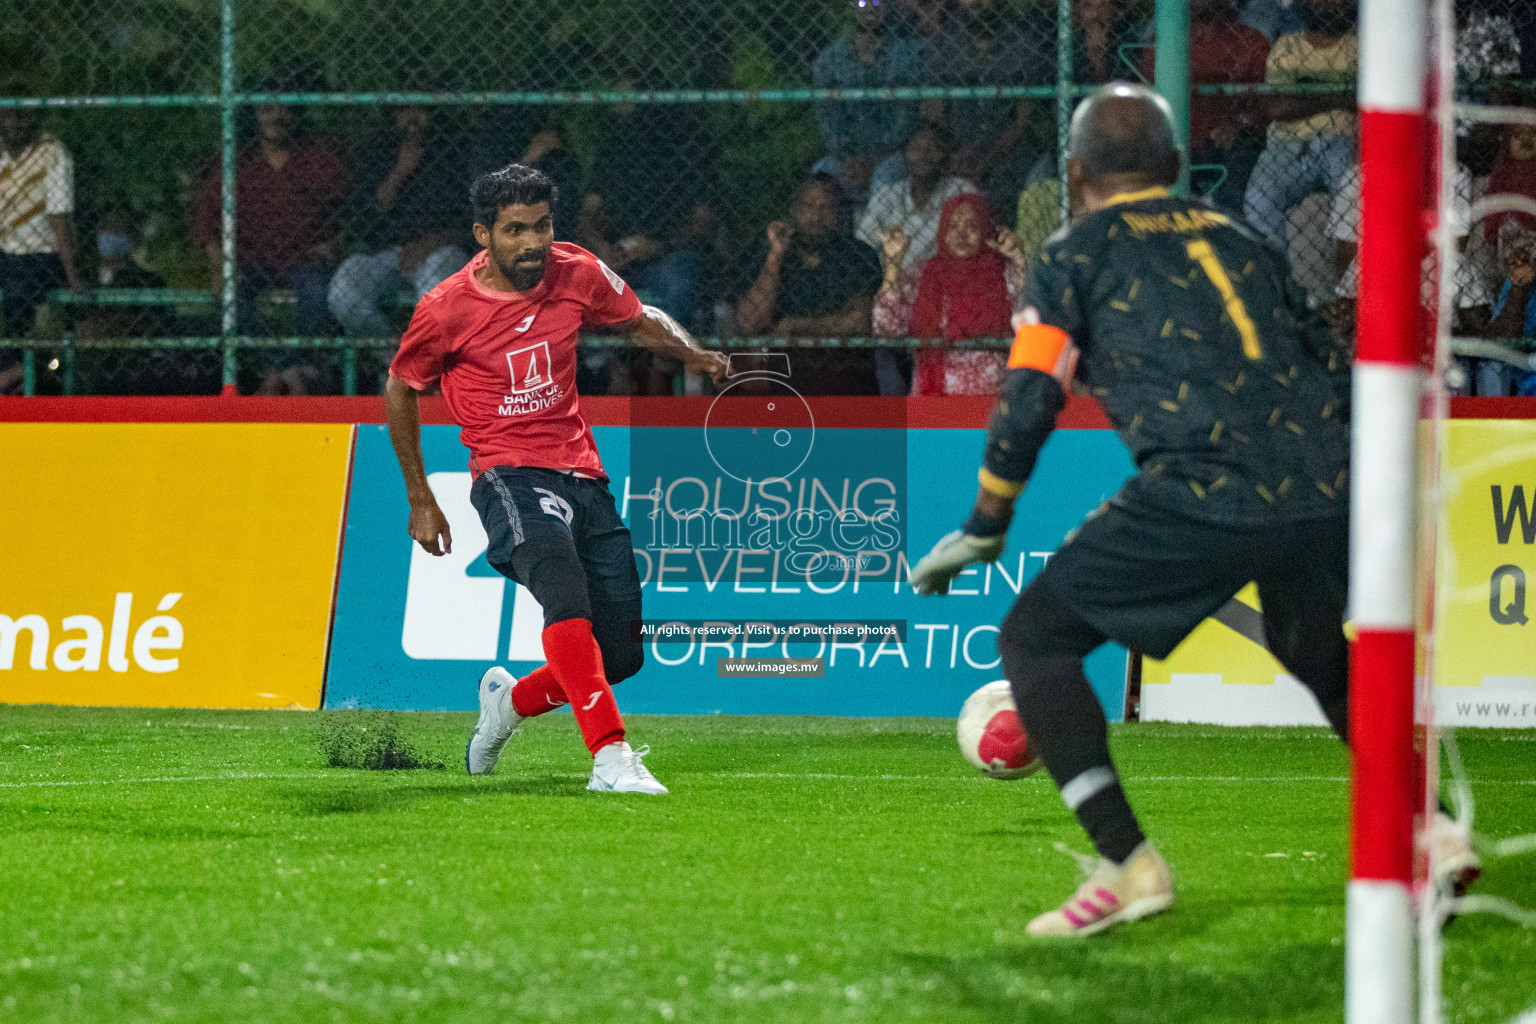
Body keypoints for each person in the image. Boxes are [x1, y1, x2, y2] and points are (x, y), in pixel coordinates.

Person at [909, 84, 1476, 936]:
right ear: (1174, 168)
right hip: (1329, 478)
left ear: (1073, 172)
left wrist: (988, 520)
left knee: (1035, 637)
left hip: (1205, 486)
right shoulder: (1247, 236)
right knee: (1316, 650)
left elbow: (1029, 394)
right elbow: (1324, 354)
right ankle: (1432, 828)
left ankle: (1128, 862)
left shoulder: (1074, 253)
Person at [384, 164, 728, 793]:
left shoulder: (577, 272)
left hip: (582, 473)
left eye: (541, 226)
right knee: (564, 597)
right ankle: (611, 759)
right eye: (515, 230)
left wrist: (694, 354)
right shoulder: (447, 308)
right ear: (482, 235)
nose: (532, 242)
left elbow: (639, 317)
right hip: (507, 475)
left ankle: (508, 706)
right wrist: (420, 496)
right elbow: (401, 388)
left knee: (617, 655)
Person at [192, 97, 348, 338]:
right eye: (267, 109)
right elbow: (207, 219)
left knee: (317, 293)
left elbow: (346, 212)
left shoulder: (317, 160)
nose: (277, 116)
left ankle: (296, 367)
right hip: (251, 262)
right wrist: (220, 263)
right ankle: (271, 371)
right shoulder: (237, 163)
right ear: (254, 115)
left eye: (285, 108)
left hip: (306, 260)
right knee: (232, 302)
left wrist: (334, 244)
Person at [328, 106, 470, 338]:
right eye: (405, 110)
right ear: (393, 115)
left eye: (421, 108)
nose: (412, 118)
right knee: (344, 289)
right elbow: (367, 216)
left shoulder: (454, 153)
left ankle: (424, 363)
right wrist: (402, 169)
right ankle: (392, 355)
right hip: (388, 255)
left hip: (442, 252)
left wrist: (431, 244)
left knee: (435, 289)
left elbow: (470, 222)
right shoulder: (376, 152)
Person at [736, 174, 883, 394]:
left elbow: (860, 323)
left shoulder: (858, 254)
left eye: (827, 207)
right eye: (808, 206)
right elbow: (750, 321)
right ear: (793, 211)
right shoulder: (771, 253)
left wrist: (796, 326)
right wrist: (776, 255)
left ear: (840, 214)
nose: (816, 216)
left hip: (844, 376)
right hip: (785, 377)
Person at [874, 192, 1024, 395]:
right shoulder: (923, 276)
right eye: (953, 226)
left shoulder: (1004, 274)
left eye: (971, 226)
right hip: (934, 399)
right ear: (942, 231)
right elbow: (887, 327)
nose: (961, 234)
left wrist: (1019, 260)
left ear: (986, 231)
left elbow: (1031, 318)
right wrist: (894, 264)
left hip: (996, 402)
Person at [1241, 0, 1357, 253]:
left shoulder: (1359, 46)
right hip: (1289, 144)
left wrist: (1305, 95)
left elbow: (1363, 101)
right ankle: (1278, 281)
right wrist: (1339, 96)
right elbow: (1278, 109)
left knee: (1353, 197)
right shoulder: (1289, 46)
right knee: (1258, 201)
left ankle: (1350, 283)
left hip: (1342, 140)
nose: (1330, 6)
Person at [1138, 0, 1271, 211]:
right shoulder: (1164, 42)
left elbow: (1268, 101)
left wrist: (1240, 123)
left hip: (1229, 142)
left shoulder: (1250, 40)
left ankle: (1227, 232)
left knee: (1242, 158)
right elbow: (1146, 101)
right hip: (1177, 139)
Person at [812, 0, 931, 205]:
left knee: (883, 178)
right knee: (821, 174)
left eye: (877, 1)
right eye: (862, 1)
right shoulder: (830, 60)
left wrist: (876, 159)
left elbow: (907, 117)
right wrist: (847, 157)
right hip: (846, 157)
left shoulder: (907, 55)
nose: (870, 7)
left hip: (892, 154)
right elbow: (828, 118)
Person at [0, 95, 82, 336]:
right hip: (5, 251)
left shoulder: (52, 152)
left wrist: (72, 274)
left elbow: (59, 217)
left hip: (39, 254)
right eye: (9, 116)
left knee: (21, 292)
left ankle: (18, 357)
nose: (15, 123)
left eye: (22, 116)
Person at [856, 125, 980, 277]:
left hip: (946, 282)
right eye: (916, 148)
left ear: (946, 156)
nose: (924, 155)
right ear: (905, 155)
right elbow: (863, 244)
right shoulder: (889, 195)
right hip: (892, 282)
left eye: (933, 149)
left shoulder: (960, 191)